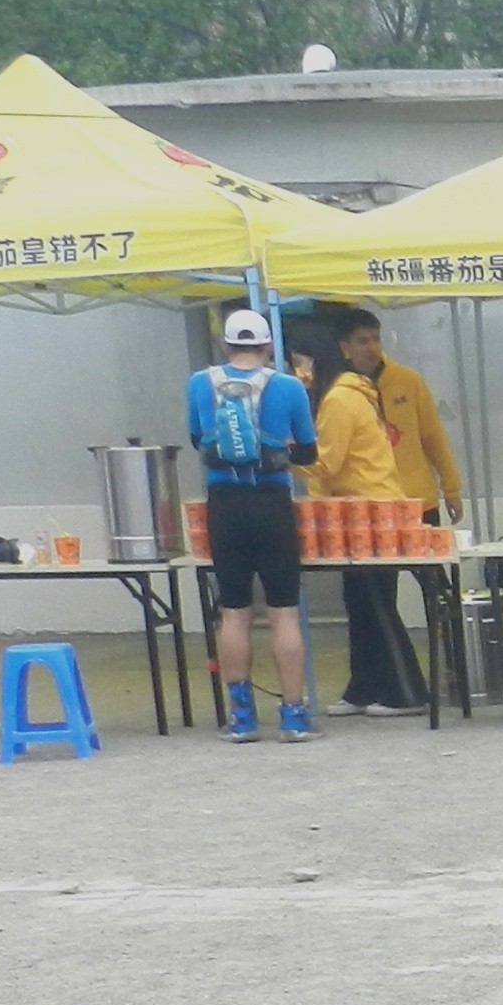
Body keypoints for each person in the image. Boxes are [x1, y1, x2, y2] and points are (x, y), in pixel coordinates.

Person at [186, 308, 319, 744]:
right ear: (267, 347)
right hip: (271, 503)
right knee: (283, 613)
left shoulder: (199, 384)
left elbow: (196, 441)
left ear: (225, 345)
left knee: (235, 613)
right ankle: (293, 717)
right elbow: (308, 453)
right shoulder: (287, 386)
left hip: (224, 504)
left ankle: (241, 719)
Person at [310, 310, 432, 714]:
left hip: (371, 512)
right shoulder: (353, 394)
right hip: (358, 511)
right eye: (362, 340)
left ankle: (407, 692)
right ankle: (362, 688)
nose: (371, 348)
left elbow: (326, 462)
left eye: (374, 339)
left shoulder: (341, 401)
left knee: (377, 605)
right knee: (360, 604)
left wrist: (283, 456)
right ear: (343, 349)